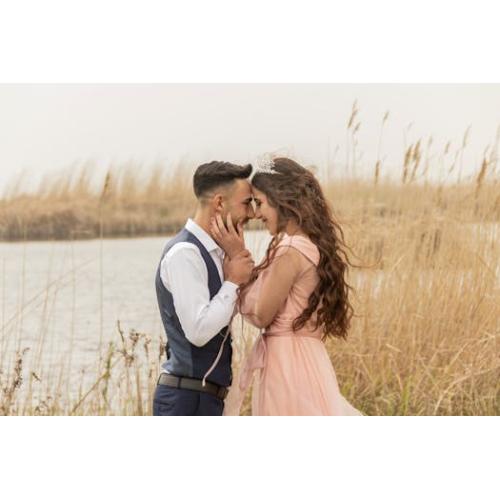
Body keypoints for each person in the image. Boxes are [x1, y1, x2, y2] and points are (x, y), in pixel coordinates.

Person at [211, 157, 363, 416]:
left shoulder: (290, 250)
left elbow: (262, 315)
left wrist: (236, 259)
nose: (257, 213)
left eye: (260, 203)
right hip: (306, 358)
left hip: (287, 365)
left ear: (280, 199)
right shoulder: (308, 244)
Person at [153, 161, 255, 416]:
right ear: (219, 203)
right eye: (246, 203)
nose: (252, 213)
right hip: (185, 401)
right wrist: (232, 282)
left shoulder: (218, 254)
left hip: (205, 399)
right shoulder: (185, 253)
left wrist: (237, 258)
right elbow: (198, 331)